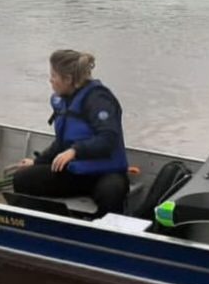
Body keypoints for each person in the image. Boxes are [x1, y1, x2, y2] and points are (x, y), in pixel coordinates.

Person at [12, 49, 129, 216]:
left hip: (105, 173)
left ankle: (103, 235)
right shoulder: (65, 100)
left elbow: (108, 138)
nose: (50, 80)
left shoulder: (99, 99)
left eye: (54, 75)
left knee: (111, 193)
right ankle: (49, 224)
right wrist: (37, 162)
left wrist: (75, 151)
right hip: (75, 172)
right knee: (23, 179)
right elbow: (61, 144)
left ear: (67, 79)